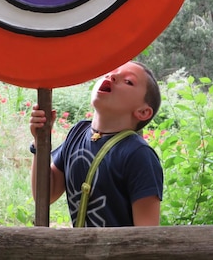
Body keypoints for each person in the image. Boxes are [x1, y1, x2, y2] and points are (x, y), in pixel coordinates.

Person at [29, 61, 163, 227]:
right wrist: (39, 142)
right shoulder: (77, 132)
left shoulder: (138, 154)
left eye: (128, 81)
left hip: (119, 253)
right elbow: (45, 194)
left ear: (143, 112)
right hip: (79, 252)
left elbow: (147, 234)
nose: (112, 76)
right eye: (110, 71)